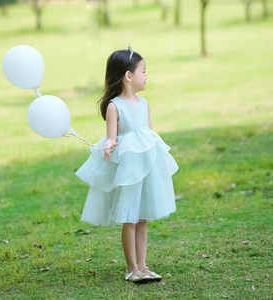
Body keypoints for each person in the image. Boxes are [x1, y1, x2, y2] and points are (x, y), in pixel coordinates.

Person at [75, 45, 179, 283]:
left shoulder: (144, 104)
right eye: (143, 71)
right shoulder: (115, 106)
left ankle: (143, 266)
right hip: (129, 168)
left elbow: (149, 134)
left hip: (146, 165)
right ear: (128, 76)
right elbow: (112, 137)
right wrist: (109, 145)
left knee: (142, 219)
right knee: (130, 218)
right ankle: (132, 268)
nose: (146, 76)